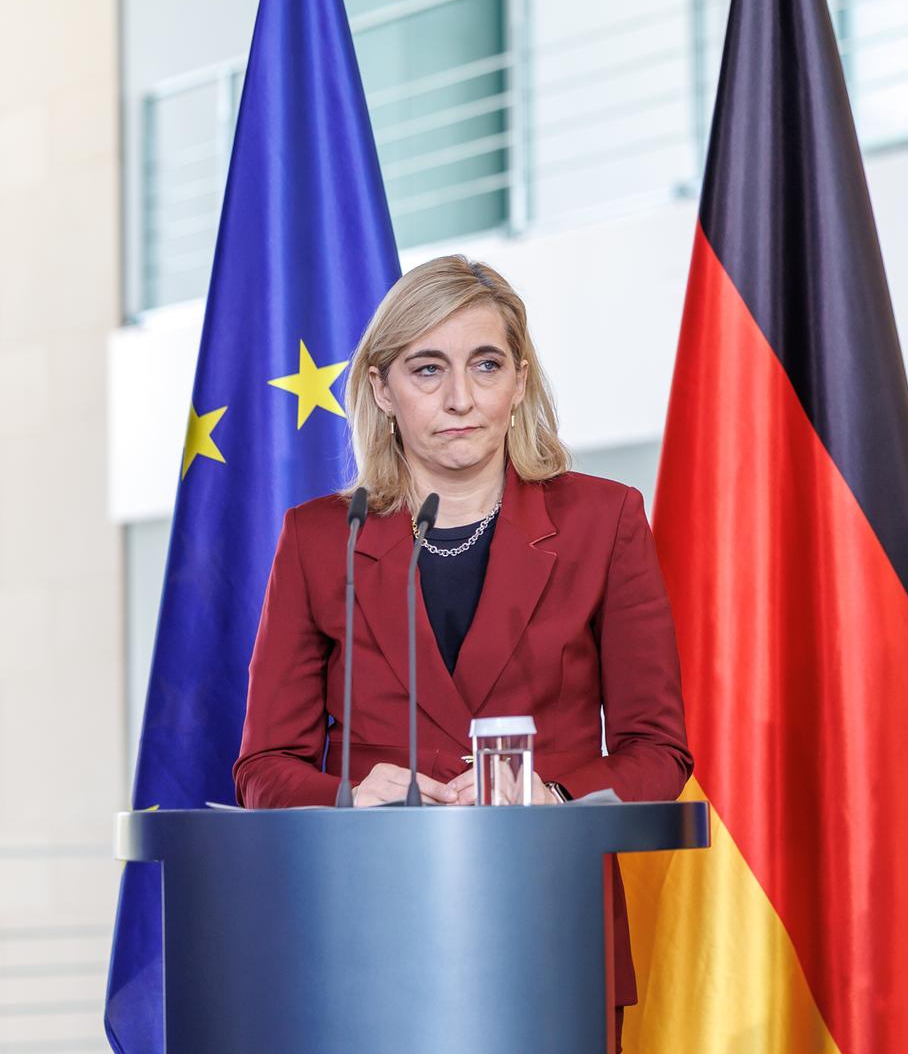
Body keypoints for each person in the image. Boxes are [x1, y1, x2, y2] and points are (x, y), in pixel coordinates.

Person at [233, 255, 690, 1032]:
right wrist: (347, 796)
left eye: (485, 365)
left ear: (518, 381)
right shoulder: (319, 538)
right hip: (362, 929)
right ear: (382, 389)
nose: (459, 399)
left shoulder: (604, 521)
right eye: (426, 369)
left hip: (547, 923)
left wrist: (557, 799)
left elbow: (659, 752)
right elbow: (262, 771)